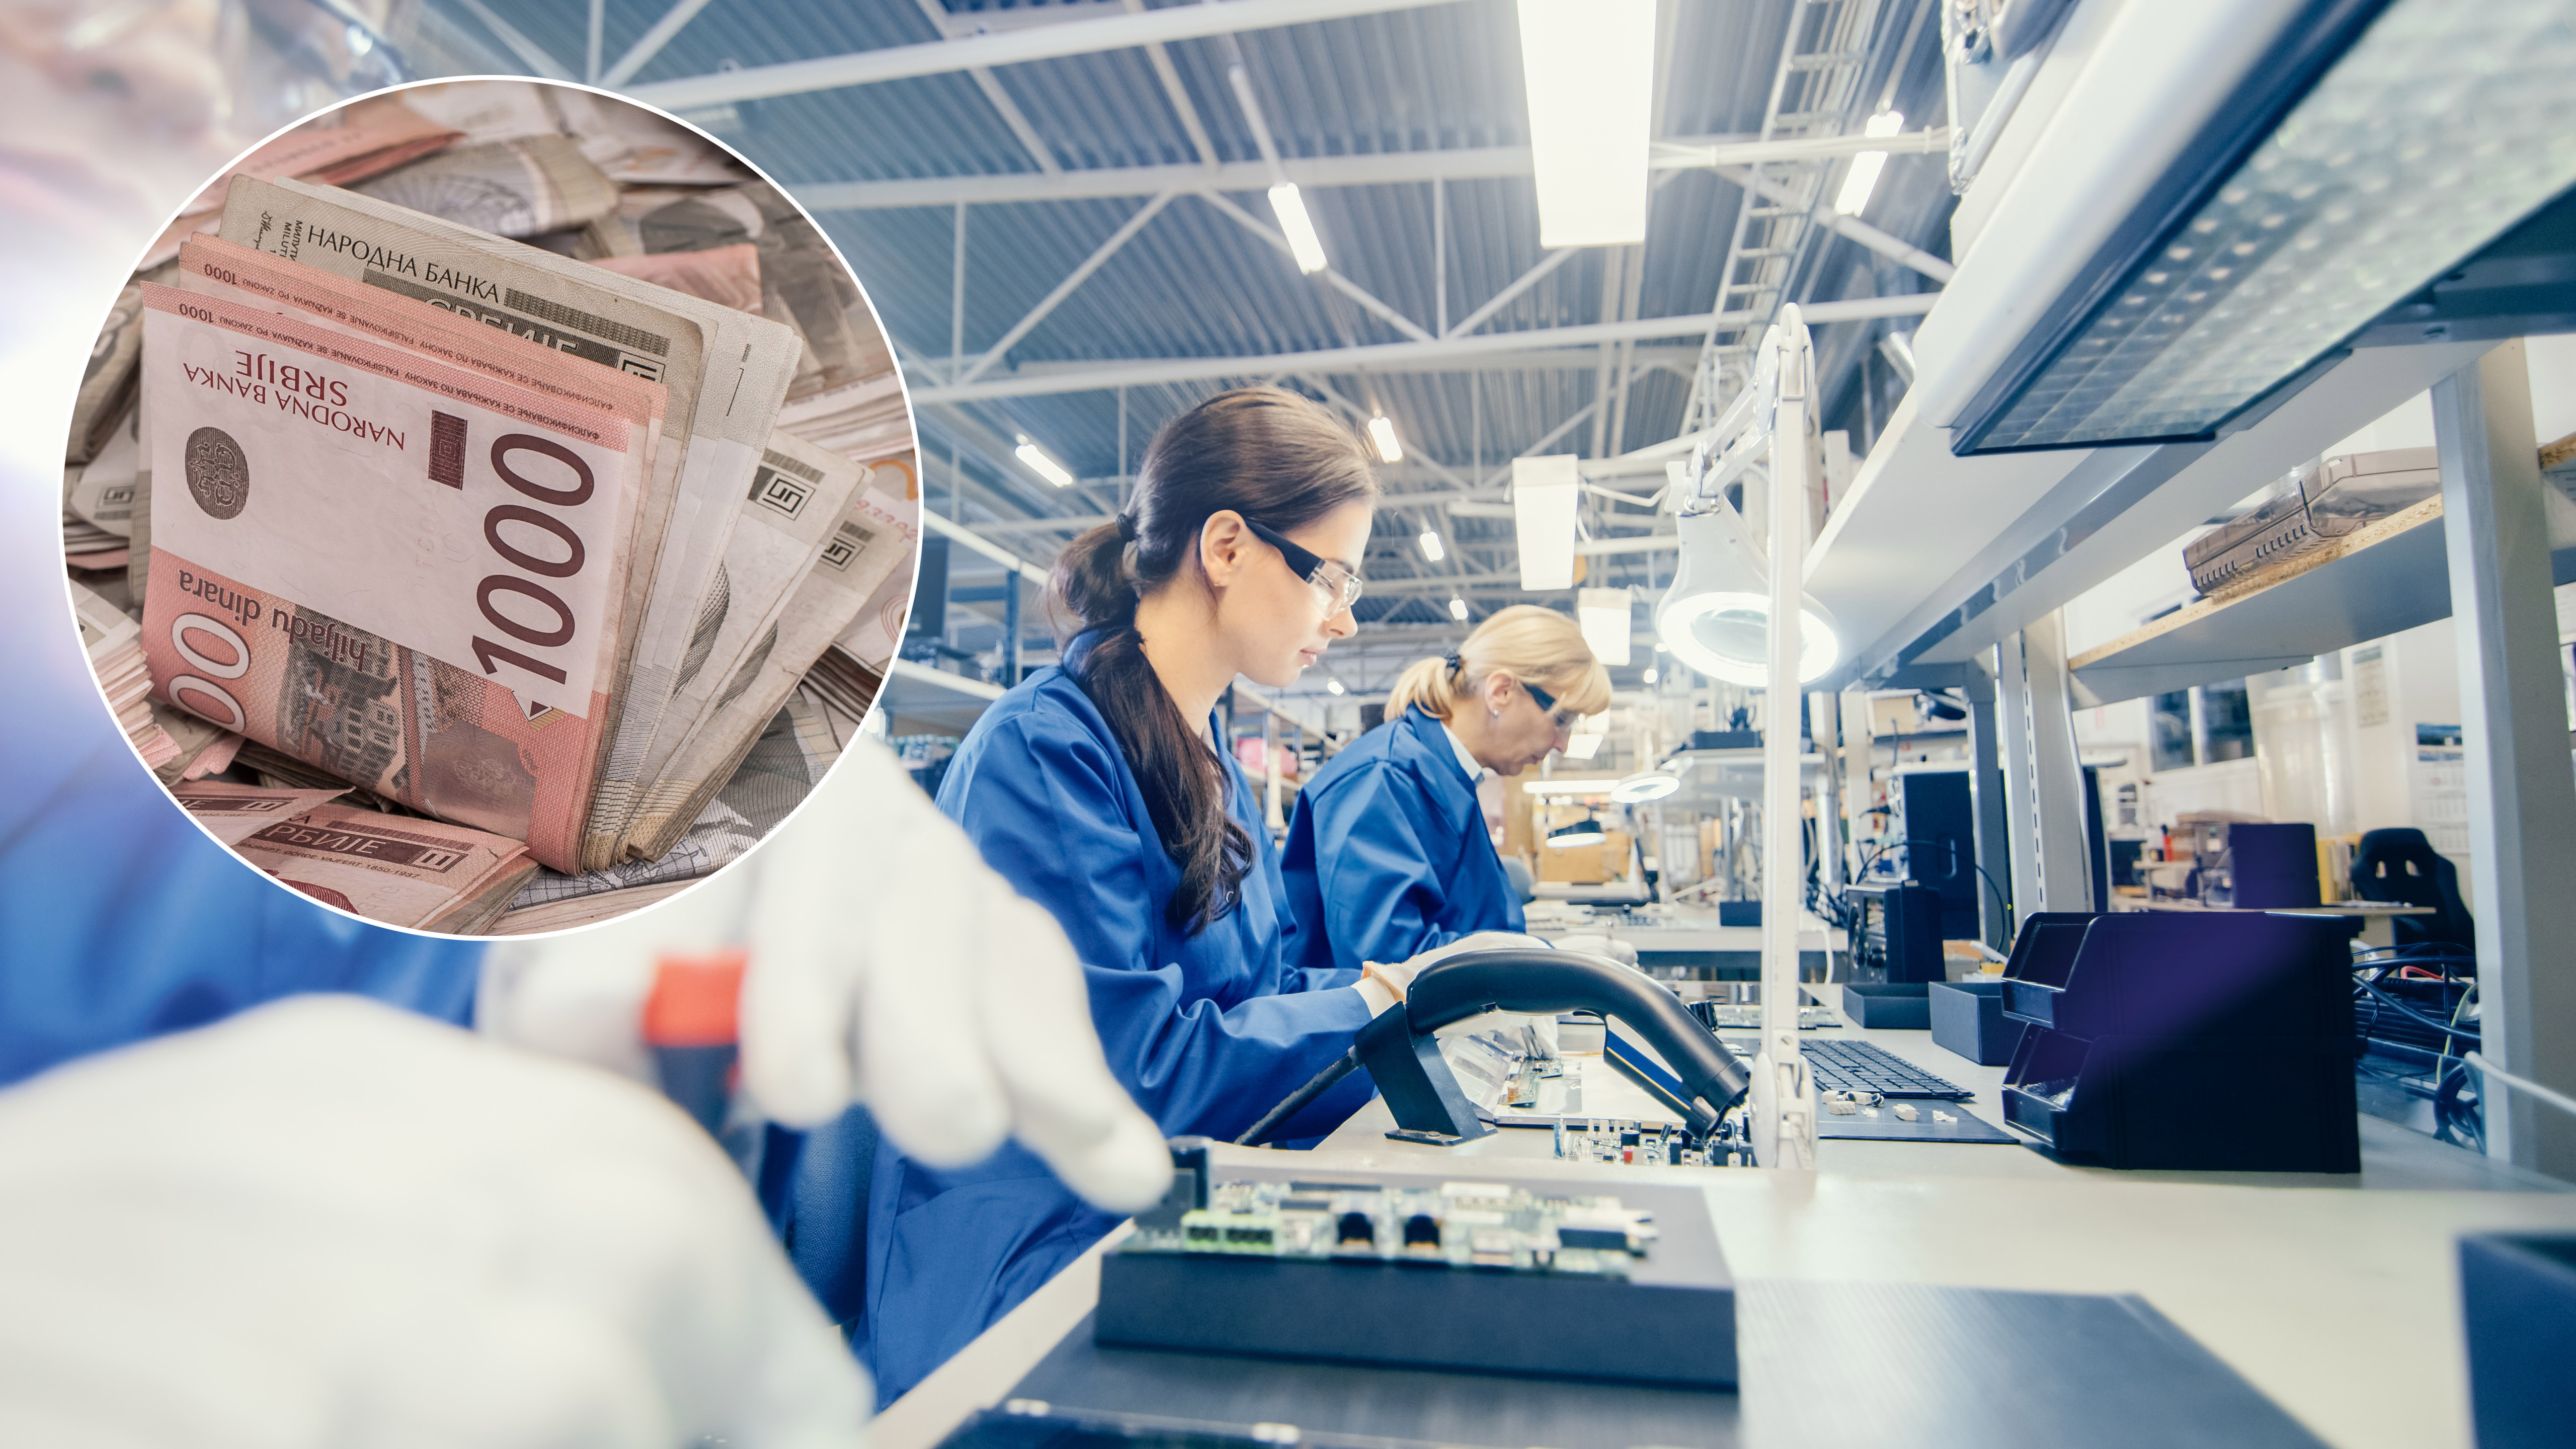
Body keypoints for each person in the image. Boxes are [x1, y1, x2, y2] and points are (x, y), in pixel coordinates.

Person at [863, 387, 1501, 1401]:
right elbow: (1134, 1071)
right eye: (1330, 575)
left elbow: (1262, 983)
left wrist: (1408, 990)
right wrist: (1379, 1010)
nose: (1345, 616)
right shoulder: (1046, 753)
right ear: (1227, 547)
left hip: (1155, 1206)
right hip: (1033, 1266)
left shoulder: (1207, 754)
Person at [1280, 606, 1612, 978]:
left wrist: (1532, 958)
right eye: (1562, 720)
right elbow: (1387, 964)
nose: (1563, 744)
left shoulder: (1449, 779)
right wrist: (1537, 962)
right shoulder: (1382, 779)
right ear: (1501, 691)